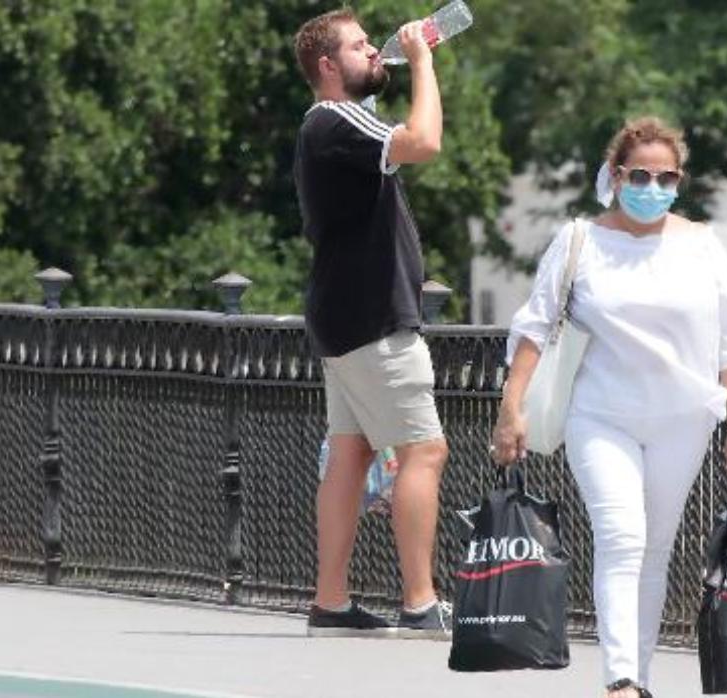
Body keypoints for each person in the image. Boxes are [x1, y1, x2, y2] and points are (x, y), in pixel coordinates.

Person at [491, 117, 727, 698]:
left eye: (667, 176)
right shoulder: (580, 239)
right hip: (601, 414)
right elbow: (533, 328)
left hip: (683, 419)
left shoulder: (702, 245)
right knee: (622, 537)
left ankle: (640, 676)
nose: (653, 186)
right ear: (616, 176)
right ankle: (620, 680)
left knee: (656, 549)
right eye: (640, 174)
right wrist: (512, 406)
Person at [292, 8, 451, 638]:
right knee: (424, 450)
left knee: (352, 455)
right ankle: (420, 602)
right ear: (329, 67)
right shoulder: (338, 117)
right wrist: (421, 61)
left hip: (341, 316)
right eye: (361, 48)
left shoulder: (321, 127)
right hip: (372, 317)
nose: (372, 54)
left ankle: (330, 602)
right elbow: (424, 142)